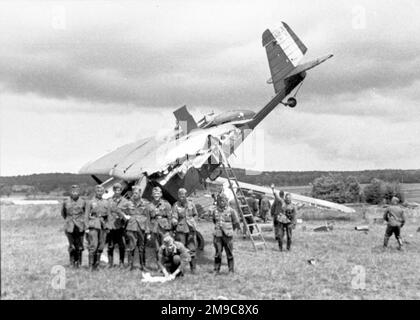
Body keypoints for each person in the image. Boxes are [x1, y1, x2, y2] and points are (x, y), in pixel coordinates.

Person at [211, 193, 240, 274]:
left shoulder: (231, 211)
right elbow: (214, 220)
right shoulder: (215, 211)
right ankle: (216, 270)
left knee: (229, 253)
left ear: (226, 201)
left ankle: (231, 270)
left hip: (228, 235)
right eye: (220, 201)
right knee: (218, 253)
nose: (222, 202)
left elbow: (236, 222)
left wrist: (230, 231)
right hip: (218, 235)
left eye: (223, 201)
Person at [172, 188, 199, 273]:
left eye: (183, 194)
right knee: (180, 248)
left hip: (190, 229)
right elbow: (174, 216)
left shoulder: (191, 204)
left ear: (186, 195)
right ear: (178, 195)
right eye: (180, 195)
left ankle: (193, 268)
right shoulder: (176, 205)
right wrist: (174, 220)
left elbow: (195, 214)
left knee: (192, 248)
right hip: (180, 229)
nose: (182, 196)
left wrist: (194, 222)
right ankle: (180, 270)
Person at [125, 186, 151, 271]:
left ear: (140, 193)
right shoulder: (128, 203)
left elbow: (148, 216)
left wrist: (147, 229)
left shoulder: (145, 203)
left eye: (136, 193)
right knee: (131, 246)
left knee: (142, 246)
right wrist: (124, 216)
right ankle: (130, 265)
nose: (134, 194)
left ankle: (143, 265)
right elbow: (118, 209)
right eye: (133, 193)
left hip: (142, 227)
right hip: (132, 226)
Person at [85, 185, 110, 271]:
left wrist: (108, 226)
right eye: (98, 191)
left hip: (103, 225)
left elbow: (108, 215)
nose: (99, 192)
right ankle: (91, 265)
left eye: (101, 191)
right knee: (93, 245)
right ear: (95, 192)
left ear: (103, 192)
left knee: (101, 246)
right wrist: (86, 227)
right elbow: (86, 216)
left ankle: (97, 265)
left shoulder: (106, 202)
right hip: (94, 224)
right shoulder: (90, 202)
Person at [61, 185, 86, 268]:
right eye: (73, 191)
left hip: (80, 226)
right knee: (71, 245)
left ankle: (78, 263)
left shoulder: (83, 201)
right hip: (70, 226)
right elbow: (63, 213)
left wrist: (82, 221)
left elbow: (85, 213)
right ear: (70, 192)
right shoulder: (66, 202)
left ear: (79, 192)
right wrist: (68, 220)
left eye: (76, 192)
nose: (74, 193)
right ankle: (72, 262)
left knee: (80, 245)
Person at [106, 182, 131, 268]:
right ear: (113, 190)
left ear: (121, 191)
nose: (117, 191)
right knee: (110, 245)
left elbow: (129, 213)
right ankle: (110, 263)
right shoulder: (109, 201)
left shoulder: (125, 201)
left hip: (121, 226)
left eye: (119, 190)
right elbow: (106, 213)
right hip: (111, 225)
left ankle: (121, 263)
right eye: (116, 190)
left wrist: (124, 216)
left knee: (122, 245)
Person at [147, 186, 173, 262]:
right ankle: (160, 266)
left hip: (164, 229)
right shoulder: (149, 205)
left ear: (161, 194)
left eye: (158, 193)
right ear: (152, 195)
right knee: (157, 248)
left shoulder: (166, 204)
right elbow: (148, 219)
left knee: (166, 247)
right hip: (154, 228)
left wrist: (171, 230)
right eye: (154, 194)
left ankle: (169, 265)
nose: (156, 195)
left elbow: (170, 217)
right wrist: (148, 233)